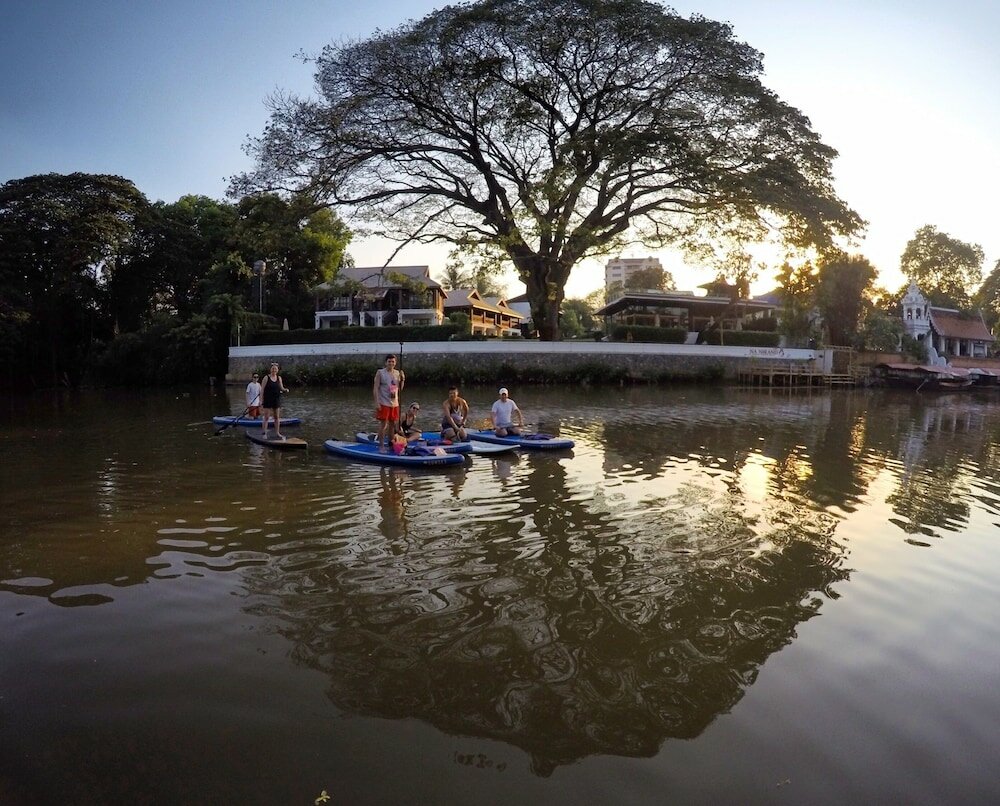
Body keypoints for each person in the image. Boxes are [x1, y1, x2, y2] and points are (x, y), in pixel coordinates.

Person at [373, 354, 404, 452]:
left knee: (392, 425)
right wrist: (377, 402)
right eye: (389, 361)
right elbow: (375, 388)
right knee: (384, 425)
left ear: (395, 363)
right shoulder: (380, 373)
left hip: (394, 403)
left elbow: (400, 389)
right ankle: (381, 445)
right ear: (386, 363)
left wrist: (403, 379)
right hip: (384, 402)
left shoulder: (397, 373)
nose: (391, 363)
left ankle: (391, 444)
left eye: (393, 362)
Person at [260, 362, 289, 440]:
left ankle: (277, 433)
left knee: (276, 417)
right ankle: (264, 433)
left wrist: (285, 390)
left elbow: (281, 388)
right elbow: (262, 390)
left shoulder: (279, 378)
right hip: (267, 399)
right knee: (266, 417)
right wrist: (261, 401)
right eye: (273, 369)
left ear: (277, 370)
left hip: (276, 399)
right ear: (270, 369)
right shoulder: (266, 378)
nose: (274, 370)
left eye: (275, 369)